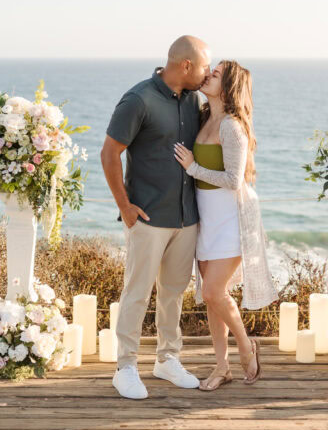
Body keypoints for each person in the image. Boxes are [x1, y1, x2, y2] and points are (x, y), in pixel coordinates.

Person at [101, 35, 212, 400]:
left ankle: (167, 360)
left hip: (186, 218)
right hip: (147, 218)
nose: (206, 73)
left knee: (173, 294)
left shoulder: (195, 100)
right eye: (204, 67)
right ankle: (126, 366)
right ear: (185, 66)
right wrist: (125, 207)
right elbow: (109, 153)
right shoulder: (139, 99)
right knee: (137, 293)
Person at [173, 60, 279, 391]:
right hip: (206, 219)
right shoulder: (204, 118)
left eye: (215, 74)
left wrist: (192, 168)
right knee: (213, 300)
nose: (207, 76)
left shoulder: (232, 126)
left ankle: (246, 346)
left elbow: (234, 180)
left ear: (228, 85)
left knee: (212, 291)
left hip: (232, 219)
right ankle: (222, 368)